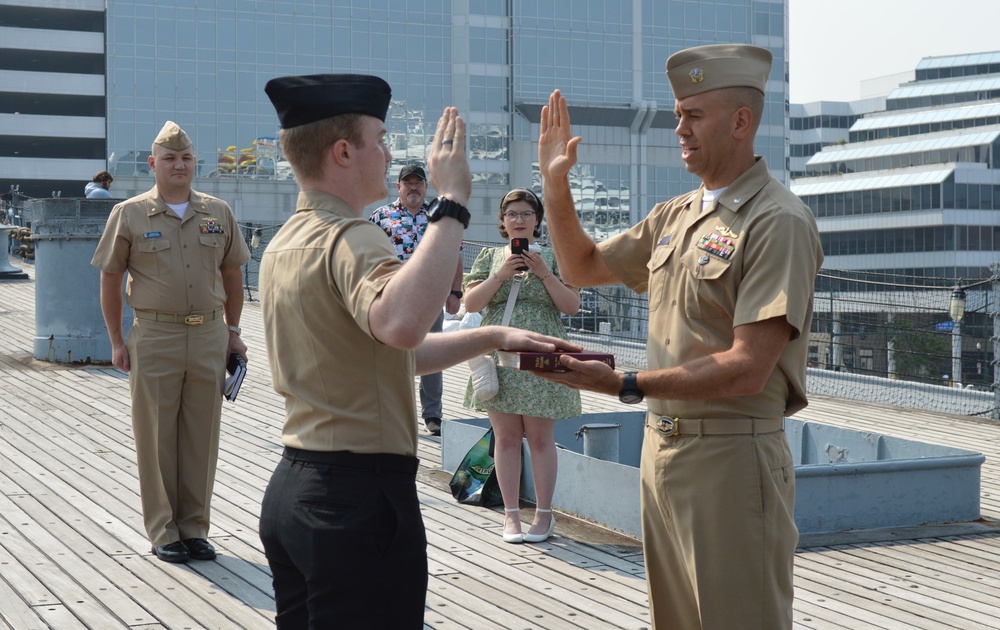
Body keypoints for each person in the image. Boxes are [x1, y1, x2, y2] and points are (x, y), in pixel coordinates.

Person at [257, 73, 581, 629]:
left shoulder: (286, 239)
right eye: (379, 139)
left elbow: (386, 352)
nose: (388, 154)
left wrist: (491, 336)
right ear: (342, 152)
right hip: (356, 498)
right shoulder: (351, 237)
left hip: (297, 484)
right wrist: (453, 202)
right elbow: (404, 323)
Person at [535, 45, 824, 629]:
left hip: (731, 457)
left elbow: (748, 367)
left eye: (693, 114)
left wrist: (623, 383)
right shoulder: (676, 215)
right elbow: (581, 267)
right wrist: (554, 185)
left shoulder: (777, 220)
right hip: (662, 452)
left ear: (742, 122)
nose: (679, 128)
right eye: (677, 114)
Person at [92, 121, 251, 564]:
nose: (178, 165)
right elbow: (110, 278)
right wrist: (117, 341)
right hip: (155, 334)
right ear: (152, 164)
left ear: (193, 163)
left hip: (209, 335)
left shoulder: (218, 213)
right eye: (169, 158)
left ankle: (195, 528)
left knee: (202, 435)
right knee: (156, 434)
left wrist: (233, 333)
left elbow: (233, 276)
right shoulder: (129, 214)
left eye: (185, 158)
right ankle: (164, 529)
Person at [461, 188, 581, 544]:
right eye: (511, 213)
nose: (518, 219)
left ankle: (544, 515)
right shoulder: (489, 256)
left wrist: (544, 272)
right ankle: (511, 515)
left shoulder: (556, 257)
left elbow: (570, 305)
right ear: (502, 220)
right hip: (500, 351)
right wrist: (500, 274)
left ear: (538, 220)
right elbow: (471, 303)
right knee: (508, 438)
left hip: (543, 352)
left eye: (526, 213)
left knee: (542, 438)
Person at [369, 164, 464, 436]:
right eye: (407, 183)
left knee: (431, 356)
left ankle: (432, 415)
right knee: (388, 355)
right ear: (398, 187)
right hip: (390, 296)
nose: (413, 187)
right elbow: (367, 256)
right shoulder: (381, 216)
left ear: (425, 186)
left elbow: (455, 256)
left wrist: (455, 293)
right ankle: (389, 412)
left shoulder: (441, 218)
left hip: (430, 297)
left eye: (418, 183)